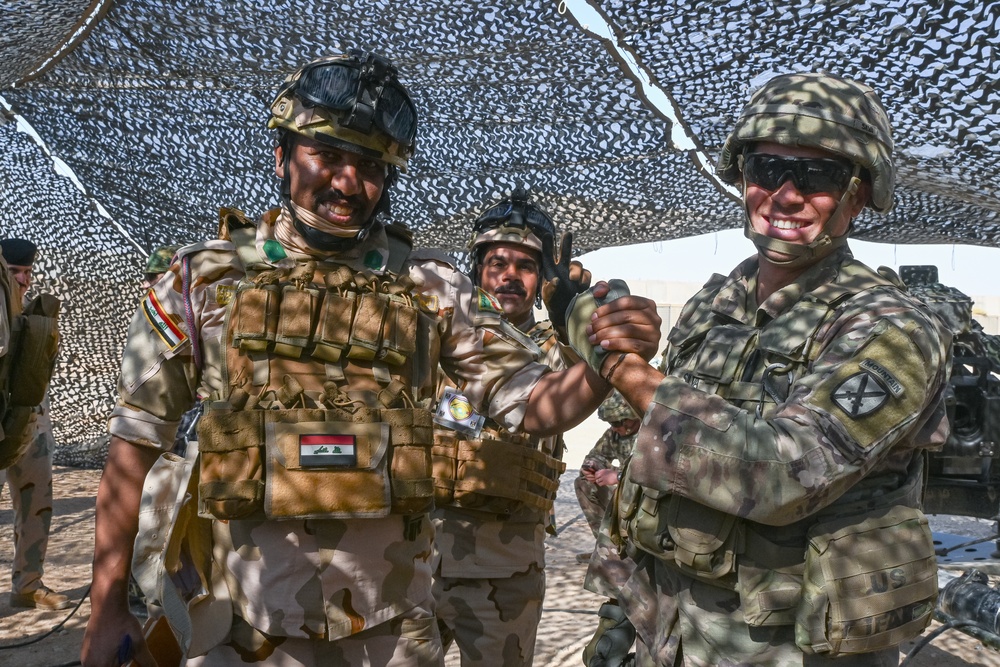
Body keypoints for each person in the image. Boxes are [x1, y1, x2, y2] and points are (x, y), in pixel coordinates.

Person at [81, 49, 661, 667]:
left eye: (370, 165)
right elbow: (134, 446)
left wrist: (604, 353)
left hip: (389, 633)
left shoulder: (431, 287)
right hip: (240, 627)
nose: (348, 183)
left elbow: (534, 406)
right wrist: (107, 605)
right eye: (327, 156)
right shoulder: (201, 279)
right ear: (282, 156)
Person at [582, 72, 951, 666]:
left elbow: (783, 473)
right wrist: (619, 619)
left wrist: (628, 370)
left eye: (818, 176)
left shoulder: (893, 329)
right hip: (665, 630)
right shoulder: (715, 306)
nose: (785, 194)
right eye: (767, 170)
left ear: (858, 195)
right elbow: (637, 469)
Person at [430, 189, 588, 666]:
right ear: (476, 269)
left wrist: (575, 315)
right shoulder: (438, 336)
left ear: (543, 280)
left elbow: (589, 376)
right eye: (497, 262)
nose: (509, 276)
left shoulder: (556, 351)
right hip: (417, 557)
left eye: (526, 266)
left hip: (503, 569)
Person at [0, 238, 70, 610]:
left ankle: (27, 585)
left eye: (27, 272)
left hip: (30, 424)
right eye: (15, 273)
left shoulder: (32, 315)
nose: (24, 280)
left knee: (37, 504)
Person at [574, 390, 638, 550]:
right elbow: (595, 455)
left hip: (645, 499)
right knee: (583, 484)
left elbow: (655, 474)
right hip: (624, 494)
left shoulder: (652, 433)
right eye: (611, 423)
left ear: (631, 417)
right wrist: (592, 467)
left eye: (616, 423)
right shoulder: (614, 435)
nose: (614, 428)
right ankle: (608, 547)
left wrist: (618, 476)